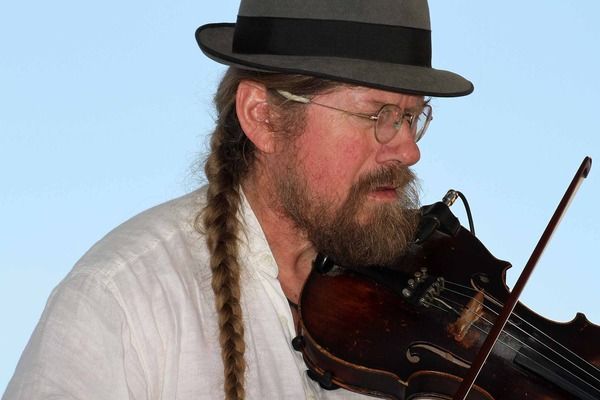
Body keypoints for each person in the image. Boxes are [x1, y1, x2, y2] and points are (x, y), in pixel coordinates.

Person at [3, 0, 472, 399]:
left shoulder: (414, 319)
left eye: (413, 117)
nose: (409, 150)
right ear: (263, 116)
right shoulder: (121, 302)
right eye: (379, 116)